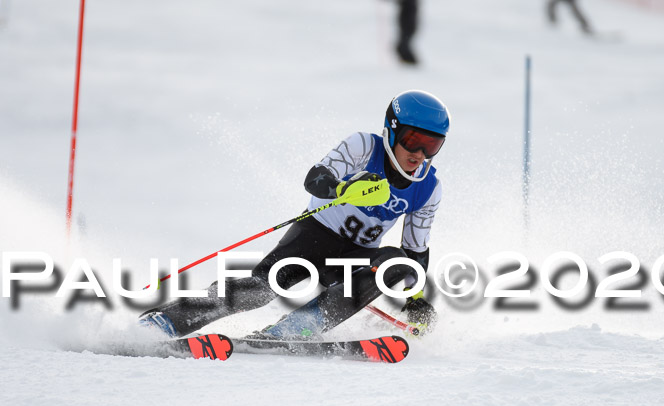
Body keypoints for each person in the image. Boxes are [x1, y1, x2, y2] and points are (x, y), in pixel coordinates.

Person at [139, 90, 450, 340]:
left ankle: (298, 326)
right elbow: (315, 178)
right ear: (392, 131)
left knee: (396, 260)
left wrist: (416, 299)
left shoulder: (429, 188)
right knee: (259, 290)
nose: (419, 154)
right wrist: (344, 188)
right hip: (314, 237)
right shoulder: (364, 147)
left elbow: (415, 250)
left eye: (431, 145)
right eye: (413, 140)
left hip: (357, 258)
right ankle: (167, 319)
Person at [396, 0, 420, 64]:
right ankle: (409, 65)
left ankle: (412, 64)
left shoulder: (410, 2)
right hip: (406, 27)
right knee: (401, 47)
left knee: (402, 47)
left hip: (409, 27)